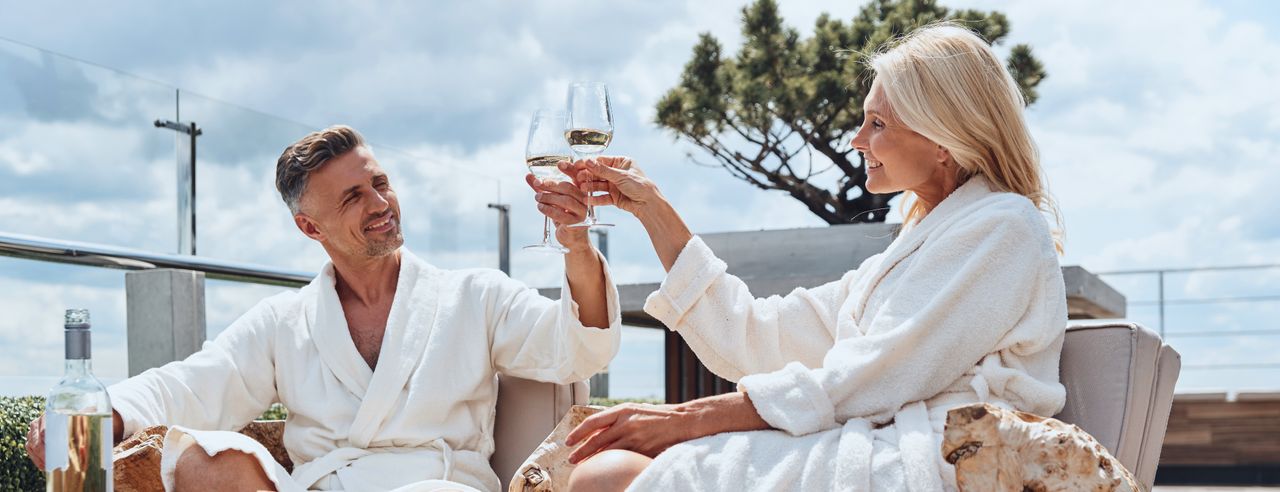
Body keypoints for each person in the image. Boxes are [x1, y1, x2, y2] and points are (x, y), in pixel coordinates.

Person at [561, 23, 1067, 491]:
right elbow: (763, 334)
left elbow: (870, 378)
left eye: (877, 123)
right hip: (876, 442)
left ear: (942, 139)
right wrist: (653, 210)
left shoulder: (1004, 228)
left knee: (608, 477)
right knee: (602, 469)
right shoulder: (911, 252)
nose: (857, 139)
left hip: (928, 460)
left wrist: (684, 419)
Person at [25, 125, 621, 492]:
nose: (381, 203)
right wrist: (98, 416)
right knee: (211, 461)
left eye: (381, 183)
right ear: (311, 226)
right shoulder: (285, 322)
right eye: (355, 196)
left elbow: (579, 346)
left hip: (434, 488)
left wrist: (574, 246)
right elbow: (193, 386)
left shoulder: (473, 296)